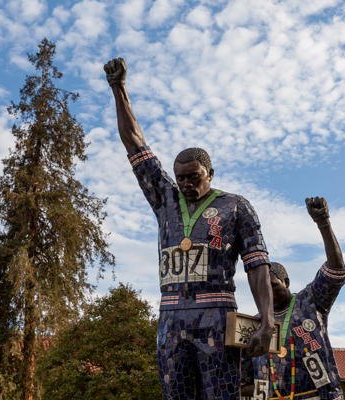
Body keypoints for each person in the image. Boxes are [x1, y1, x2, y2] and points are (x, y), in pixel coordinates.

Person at [104, 57, 275, 399]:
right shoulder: (164, 198)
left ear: (209, 173)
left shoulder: (236, 206)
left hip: (215, 314)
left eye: (193, 177)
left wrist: (267, 319)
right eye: (180, 177)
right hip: (170, 317)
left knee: (220, 395)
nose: (185, 183)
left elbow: (257, 265)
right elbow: (134, 142)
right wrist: (118, 88)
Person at [241, 197, 345, 400]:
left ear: (286, 282)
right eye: (261, 289)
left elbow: (336, 270)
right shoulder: (253, 325)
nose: (267, 294)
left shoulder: (309, 302)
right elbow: (246, 382)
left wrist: (323, 224)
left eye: (272, 286)